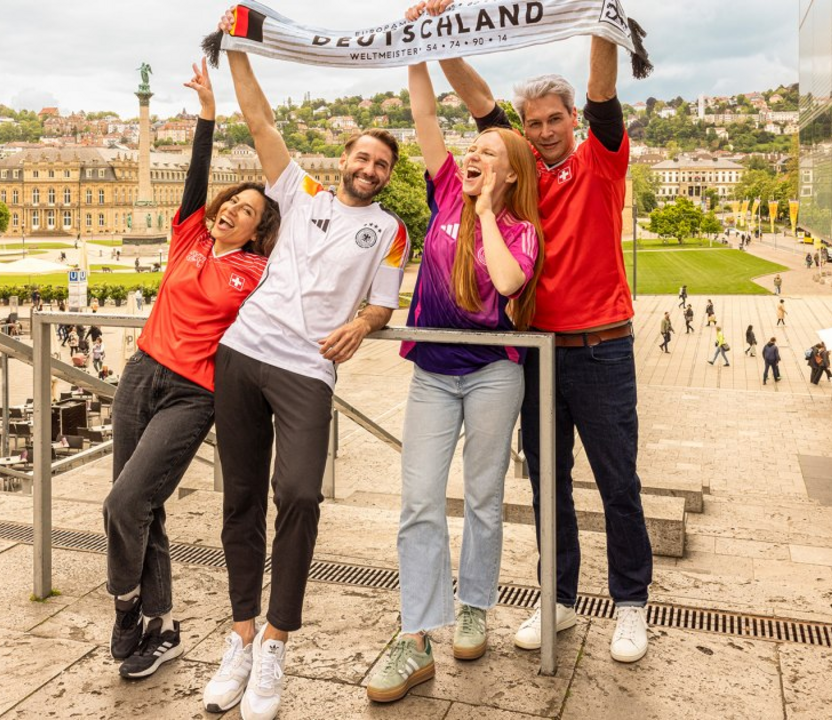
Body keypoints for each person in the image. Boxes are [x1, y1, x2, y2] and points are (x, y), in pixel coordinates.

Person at [433, 2, 652, 664]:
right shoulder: (520, 168)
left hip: (602, 347)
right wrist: (440, 37)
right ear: (524, 132)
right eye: (534, 123)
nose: (546, 131)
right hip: (538, 351)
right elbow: (477, 102)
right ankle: (558, 598)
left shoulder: (601, 160)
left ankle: (630, 603)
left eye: (556, 119)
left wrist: (602, 20)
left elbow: (604, 90)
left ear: (573, 119)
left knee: (618, 481)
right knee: (547, 484)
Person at [205, 24, 411, 718]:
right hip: (244, 351)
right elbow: (259, 118)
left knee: (298, 494)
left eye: (382, 165)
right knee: (239, 498)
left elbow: (382, 302)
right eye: (364, 156)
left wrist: (363, 324)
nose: (370, 169)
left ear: (387, 176)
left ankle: (276, 642)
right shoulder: (301, 190)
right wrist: (235, 47)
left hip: (306, 370)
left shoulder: (390, 230)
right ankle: (239, 636)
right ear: (344, 157)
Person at [366, 62, 542, 705]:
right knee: (419, 501)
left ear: (512, 173)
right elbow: (424, 116)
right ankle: (415, 634)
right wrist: (418, 53)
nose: (473, 155)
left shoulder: (520, 229)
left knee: (483, 498)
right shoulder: (444, 189)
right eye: (473, 148)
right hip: (434, 374)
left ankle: (474, 607)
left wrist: (486, 210)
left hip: (495, 372)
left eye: (489, 152)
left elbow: (507, 282)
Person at [102, 59, 278, 683]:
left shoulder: (258, 272)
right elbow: (195, 182)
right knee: (142, 507)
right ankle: (162, 626)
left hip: (193, 394)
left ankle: (125, 604)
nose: (231, 211)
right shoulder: (190, 239)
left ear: (258, 231)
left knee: (126, 500)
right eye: (231, 203)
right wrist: (207, 115)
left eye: (247, 210)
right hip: (140, 375)